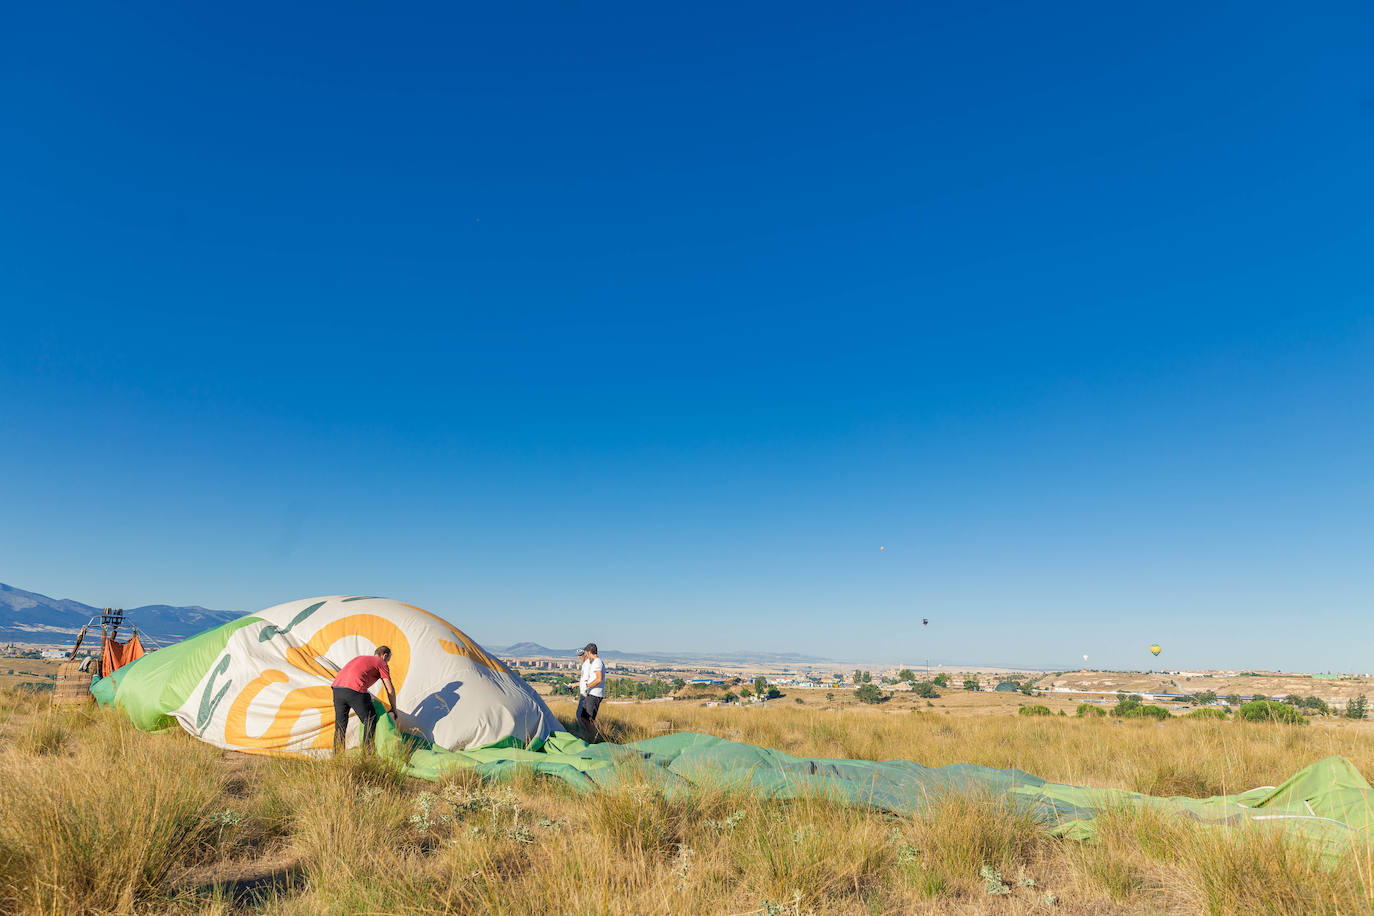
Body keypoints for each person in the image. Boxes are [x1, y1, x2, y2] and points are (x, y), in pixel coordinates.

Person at [331, 646, 398, 753]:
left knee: (340, 725)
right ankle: (367, 754)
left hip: (337, 689)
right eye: (388, 659)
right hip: (354, 688)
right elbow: (390, 690)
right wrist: (394, 708)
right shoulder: (381, 662)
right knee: (370, 718)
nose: (387, 663)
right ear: (384, 655)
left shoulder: (361, 658)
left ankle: (337, 756)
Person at [576, 642, 605, 740]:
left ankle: (594, 738)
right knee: (584, 717)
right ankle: (591, 736)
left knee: (589, 719)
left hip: (594, 694)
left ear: (589, 652)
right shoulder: (595, 662)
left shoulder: (597, 662)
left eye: (586, 653)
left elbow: (599, 679)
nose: (586, 656)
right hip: (590, 693)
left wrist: (587, 685)